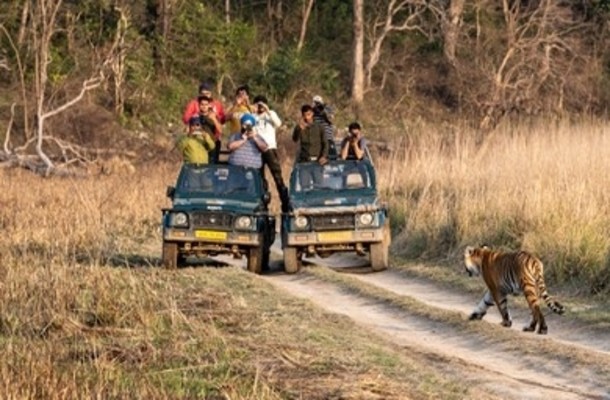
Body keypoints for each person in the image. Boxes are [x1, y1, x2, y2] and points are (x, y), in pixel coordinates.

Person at [252, 95, 291, 212]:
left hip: (270, 148)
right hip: (256, 150)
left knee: (277, 176)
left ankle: (285, 203)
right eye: (258, 104)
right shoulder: (253, 117)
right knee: (259, 177)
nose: (260, 107)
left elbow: (278, 123)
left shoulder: (270, 114)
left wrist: (267, 110)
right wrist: (252, 112)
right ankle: (263, 205)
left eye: (262, 104)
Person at [198, 95, 223, 163]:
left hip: (212, 145)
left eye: (206, 104)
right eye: (202, 104)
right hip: (200, 145)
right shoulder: (196, 117)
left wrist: (214, 119)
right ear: (199, 105)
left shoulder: (213, 116)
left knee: (212, 166)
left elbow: (220, 130)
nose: (204, 106)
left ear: (209, 105)